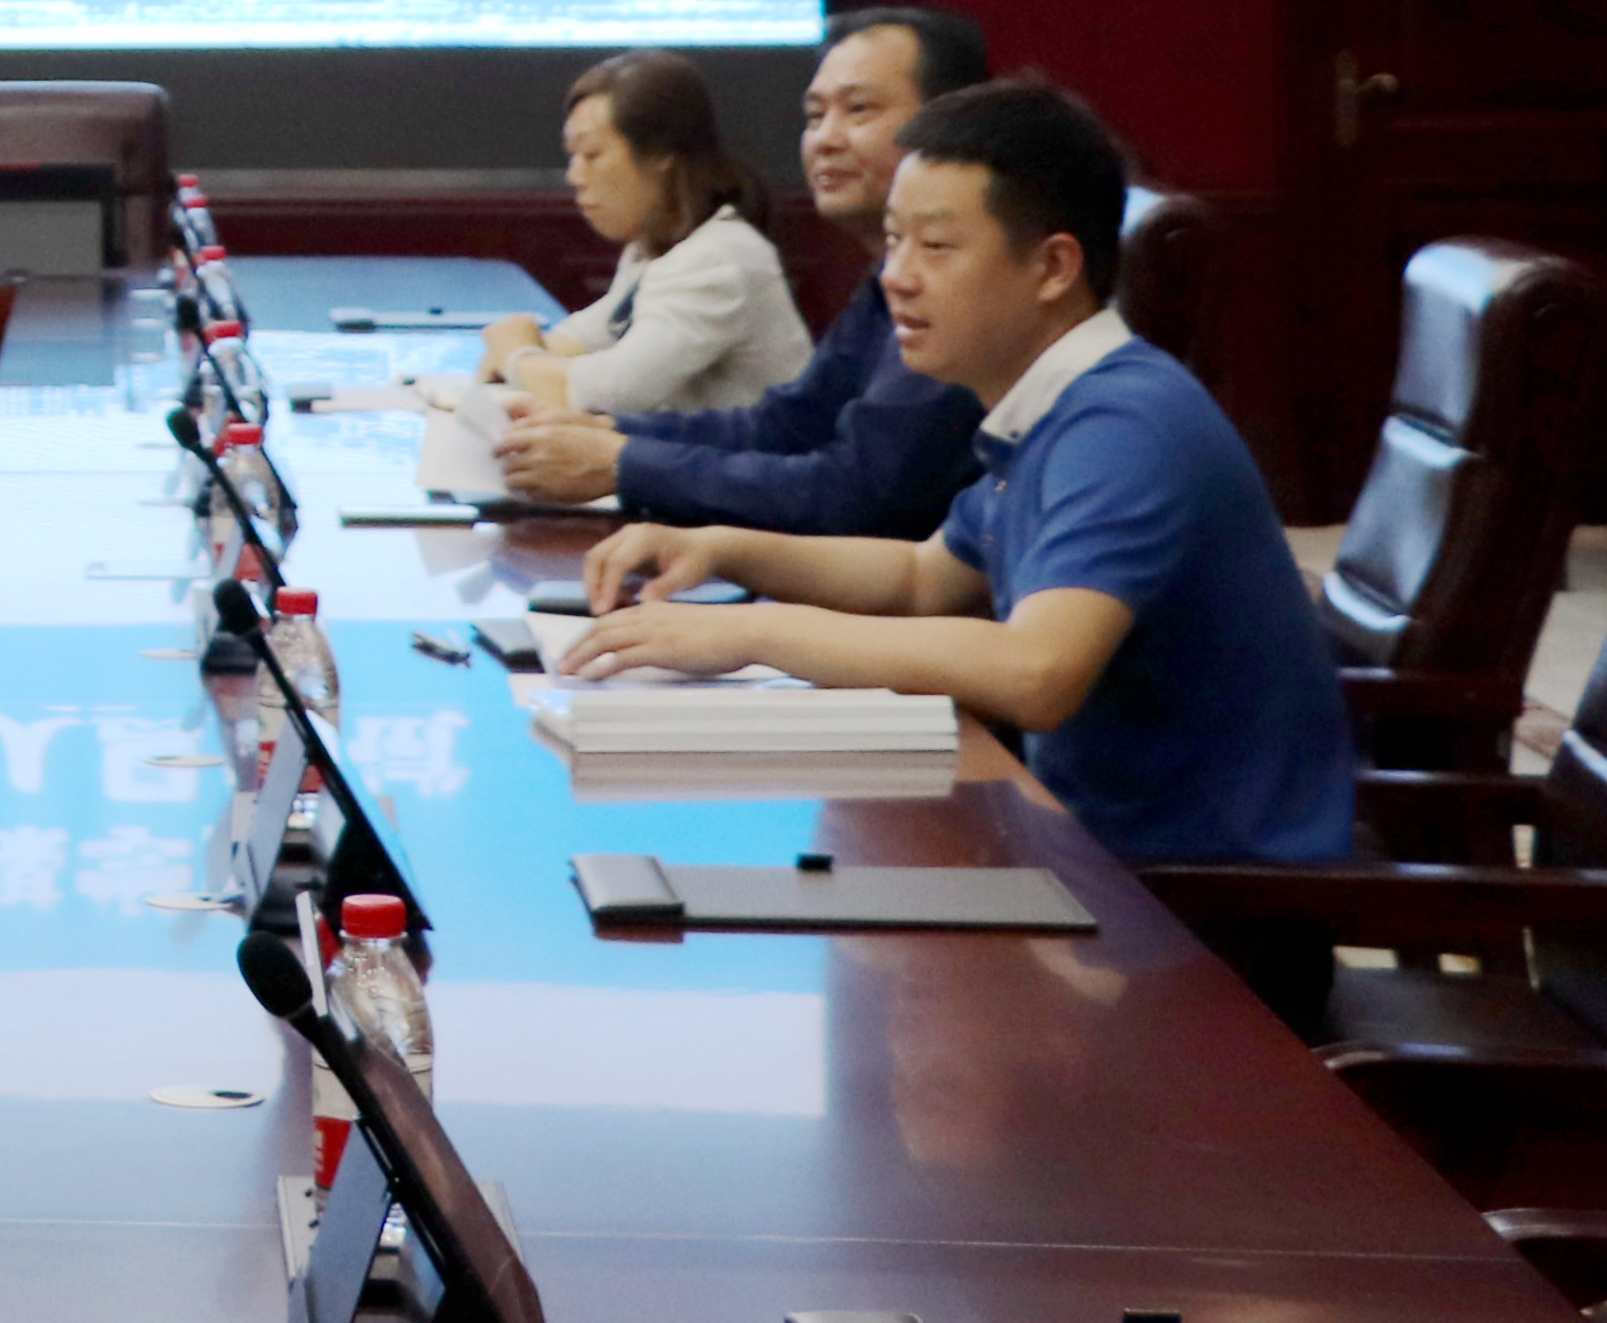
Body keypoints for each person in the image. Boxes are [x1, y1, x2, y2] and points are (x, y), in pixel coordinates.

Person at [553, 78, 1358, 872]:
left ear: (1053, 268)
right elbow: (920, 578)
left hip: (1203, 899)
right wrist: (720, 548)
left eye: (935, 247)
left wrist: (750, 633)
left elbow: (1037, 671)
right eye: (893, 241)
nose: (896, 276)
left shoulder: (1122, 426)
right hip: (1092, 850)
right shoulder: (1050, 404)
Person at [494, 6, 994, 533]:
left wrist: (622, 461)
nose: (826, 139)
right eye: (814, 116)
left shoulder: (969, 287)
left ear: (948, 121)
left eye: (859, 109)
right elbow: (786, 426)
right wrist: (609, 435)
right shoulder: (883, 279)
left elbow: (856, 494)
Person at [462, 48, 806, 417]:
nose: (575, 176)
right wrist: (525, 352)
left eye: (592, 154)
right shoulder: (652, 248)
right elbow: (587, 337)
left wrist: (517, 356)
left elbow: (612, 390)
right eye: (572, 156)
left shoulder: (718, 259)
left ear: (661, 153)